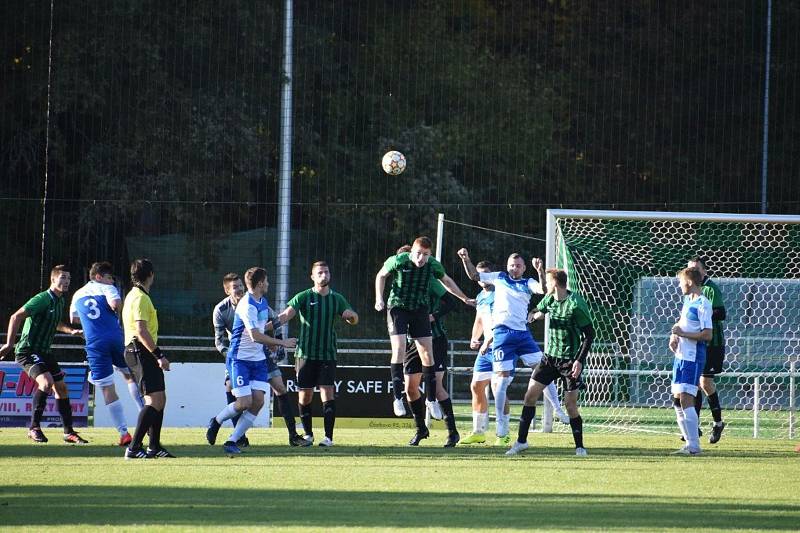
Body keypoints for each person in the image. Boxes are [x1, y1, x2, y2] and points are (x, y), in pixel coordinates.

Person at [458, 249, 568, 447]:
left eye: (518, 266)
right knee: (499, 383)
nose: (514, 268)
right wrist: (466, 259)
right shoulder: (499, 278)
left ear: (524, 268)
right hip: (501, 335)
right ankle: (500, 427)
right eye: (511, 265)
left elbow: (543, 290)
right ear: (507, 266)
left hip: (523, 335)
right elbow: (474, 275)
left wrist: (540, 270)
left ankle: (558, 409)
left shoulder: (528, 283)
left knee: (544, 367)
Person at [375, 236, 474, 422]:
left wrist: (464, 298)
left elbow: (447, 281)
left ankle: (431, 400)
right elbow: (381, 275)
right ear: (412, 251)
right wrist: (379, 298)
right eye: (418, 254)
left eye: (425, 255)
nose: (421, 258)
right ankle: (397, 398)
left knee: (427, 354)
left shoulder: (433, 266)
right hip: (398, 306)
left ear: (430, 254)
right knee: (399, 348)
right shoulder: (398, 260)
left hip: (419, 308)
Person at [206, 273, 308, 448]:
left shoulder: (261, 301)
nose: (238, 289)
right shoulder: (237, 307)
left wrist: (276, 343)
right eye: (234, 287)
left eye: (240, 285)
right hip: (239, 358)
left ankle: (233, 439)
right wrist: (281, 342)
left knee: (262, 399)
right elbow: (251, 336)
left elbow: (275, 320)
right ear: (227, 290)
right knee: (242, 400)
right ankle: (218, 422)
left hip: (260, 357)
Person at [507, 268, 594, 457]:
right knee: (530, 396)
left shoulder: (575, 304)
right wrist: (533, 316)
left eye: (547, 281)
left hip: (570, 361)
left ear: (555, 283)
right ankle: (521, 442)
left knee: (570, 405)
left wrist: (579, 361)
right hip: (549, 359)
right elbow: (540, 310)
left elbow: (589, 335)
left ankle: (580, 446)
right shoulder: (550, 299)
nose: (545, 285)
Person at [0, 265, 87, 444]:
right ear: (53, 280)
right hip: (28, 350)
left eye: (69, 279)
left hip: (44, 352)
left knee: (61, 388)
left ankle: (68, 432)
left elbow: (55, 322)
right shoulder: (42, 299)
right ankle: (34, 428)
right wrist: (9, 343)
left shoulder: (60, 300)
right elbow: (16, 317)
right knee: (46, 383)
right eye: (62, 277)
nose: (66, 281)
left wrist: (70, 331)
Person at [278, 261, 358, 447]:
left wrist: (352, 318)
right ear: (313, 277)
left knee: (327, 393)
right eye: (320, 273)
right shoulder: (304, 296)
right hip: (305, 354)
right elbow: (285, 316)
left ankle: (328, 437)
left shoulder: (336, 298)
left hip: (327, 354)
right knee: (304, 396)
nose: (324, 275)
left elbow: (352, 316)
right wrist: (263, 329)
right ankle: (308, 435)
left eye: (326, 272)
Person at [70, 261, 142, 446]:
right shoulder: (106, 288)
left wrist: (90, 322)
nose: (111, 281)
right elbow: (115, 304)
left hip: (94, 343)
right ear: (98, 277)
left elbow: (73, 318)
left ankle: (124, 433)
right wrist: (113, 308)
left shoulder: (78, 294)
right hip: (115, 338)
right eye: (109, 277)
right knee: (130, 376)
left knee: (106, 388)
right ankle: (146, 420)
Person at [121, 258, 174, 459]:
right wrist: (159, 355)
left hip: (140, 351)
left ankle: (154, 447)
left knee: (160, 399)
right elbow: (141, 330)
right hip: (140, 351)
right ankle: (134, 448)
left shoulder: (134, 295)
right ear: (151, 275)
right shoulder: (141, 298)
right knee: (153, 400)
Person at [403, 277, 460, 447]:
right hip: (412, 342)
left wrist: (433, 316)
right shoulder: (400, 285)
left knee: (435, 385)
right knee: (410, 388)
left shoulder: (429, 281)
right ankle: (421, 429)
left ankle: (452, 432)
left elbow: (450, 303)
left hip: (435, 339)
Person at [460, 260, 507, 445]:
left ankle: (503, 435)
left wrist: (488, 341)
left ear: (492, 274)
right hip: (485, 349)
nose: (482, 278)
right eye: (479, 275)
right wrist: (475, 337)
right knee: (476, 386)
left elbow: (502, 322)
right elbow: (480, 319)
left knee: (498, 389)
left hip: (500, 346)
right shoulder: (480, 296)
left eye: (485, 273)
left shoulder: (501, 294)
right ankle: (478, 431)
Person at [667, 266, 712, 456]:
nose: (679, 286)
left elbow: (707, 335)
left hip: (693, 357)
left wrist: (683, 333)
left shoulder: (703, 303)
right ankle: (688, 443)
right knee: (677, 399)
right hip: (681, 356)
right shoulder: (688, 301)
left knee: (686, 398)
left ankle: (694, 446)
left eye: (680, 282)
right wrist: (674, 336)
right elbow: (681, 324)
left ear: (689, 281)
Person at [687, 257, 727, 444]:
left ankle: (718, 423)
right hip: (696, 343)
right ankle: (693, 426)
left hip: (713, 344)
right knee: (693, 383)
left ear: (704, 271)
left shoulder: (711, 289)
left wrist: (705, 312)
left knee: (705, 383)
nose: (692, 272)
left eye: (695, 269)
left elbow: (722, 313)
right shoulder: (690, 292)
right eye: (689, 269)